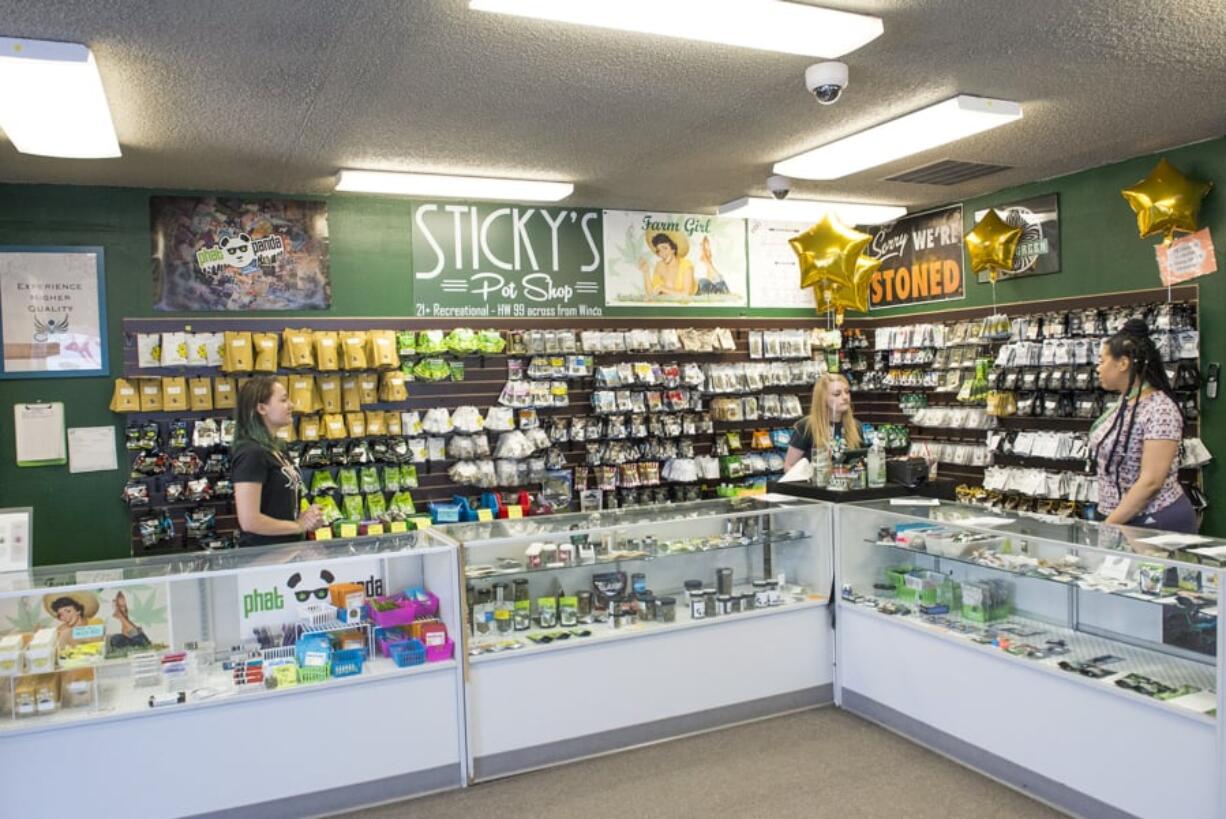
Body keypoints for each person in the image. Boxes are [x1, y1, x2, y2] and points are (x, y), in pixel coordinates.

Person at [1090, 319, 1196, 533]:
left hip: (1154, 521)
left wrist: (1109, 526)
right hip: (1123, 519)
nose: (1097, 368)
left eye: (1102, 361)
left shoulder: (1160, 409)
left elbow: (1151, 482)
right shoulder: (1125, 402)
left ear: (1123, 363)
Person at [232, 377, 323, 547]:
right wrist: (298, 525)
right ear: (261, 408)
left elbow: (276, 508)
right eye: (283, 400)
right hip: (263, 556)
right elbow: (249, 521)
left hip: (287, 551)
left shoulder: (278, 448)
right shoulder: (251, 453)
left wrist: (305, 519)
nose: (291, 405)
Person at [784, 374, 863, 470]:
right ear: (823, 398)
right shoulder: (806, 427)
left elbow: (859, 463)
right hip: (815, 483)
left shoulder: (856, 426)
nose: (845, 397)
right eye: (837, 394)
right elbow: (789, 466)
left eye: (847, 392)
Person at [638, 233, 696, 299]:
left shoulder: (686, 264)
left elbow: (686, 294)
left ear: (673, 249)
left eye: (665, 248)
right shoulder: (659, 266)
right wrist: (646, 272)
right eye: (659, 250)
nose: (662, 253)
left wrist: (662, 288)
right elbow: (652, 293)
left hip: (701, 288)